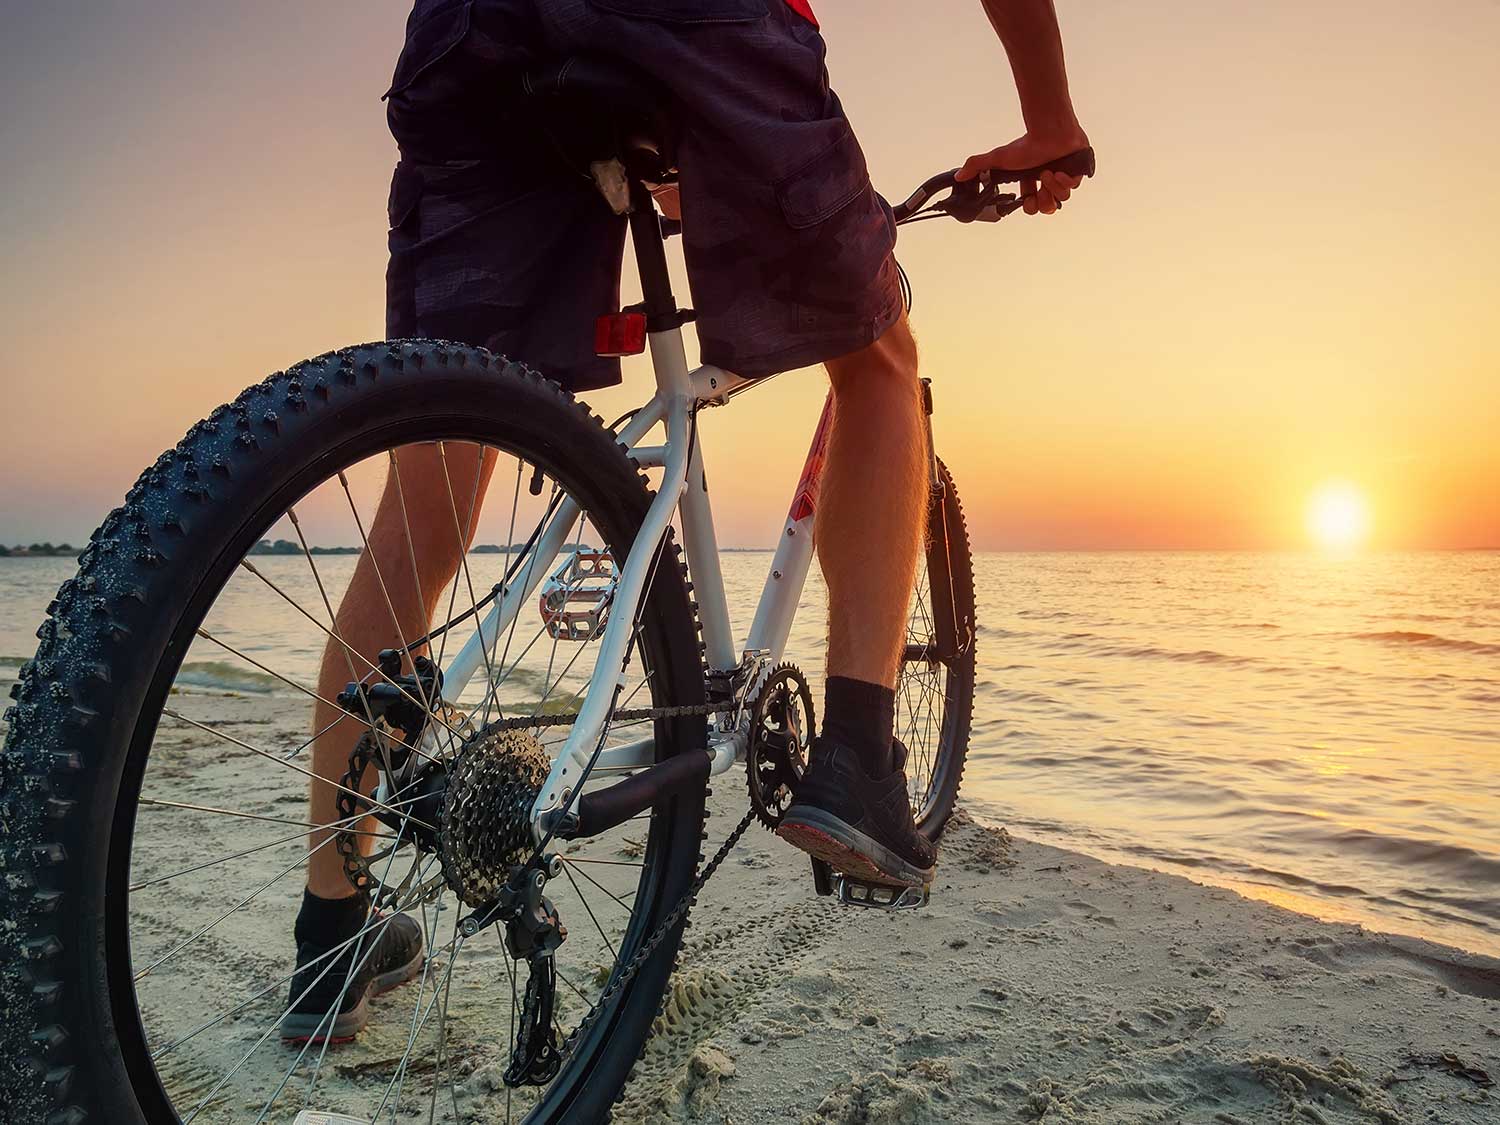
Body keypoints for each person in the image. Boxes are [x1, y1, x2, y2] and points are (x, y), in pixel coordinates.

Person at [282, 0, 1090, 1042]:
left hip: (469, 36)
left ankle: (327, 939)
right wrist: (1049, 119)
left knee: (446, 441)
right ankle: (854, 761)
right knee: (878, 353)